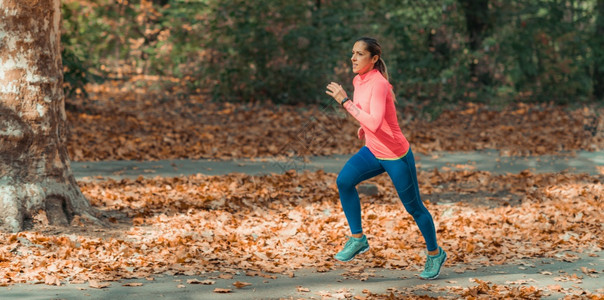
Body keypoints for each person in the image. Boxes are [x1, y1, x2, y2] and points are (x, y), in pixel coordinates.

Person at [325, 37, 447, 280]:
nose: (353, 58)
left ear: (374, 59)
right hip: (373, 150)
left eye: (359, 54)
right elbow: (365, 118)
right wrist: (361, 127)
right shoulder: (358, 80)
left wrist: (344, 101)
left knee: (414, 207)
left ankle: (435, 253)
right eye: (353, 53)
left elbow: (375, 120)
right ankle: (358, 239)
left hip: (395, 155)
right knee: (344, 182)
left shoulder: (379, 84)